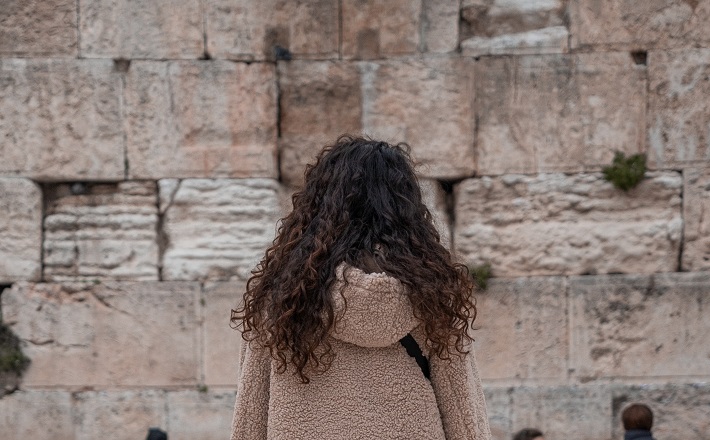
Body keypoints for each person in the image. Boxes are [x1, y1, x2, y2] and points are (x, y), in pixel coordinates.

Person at [230, 136, 491, 440]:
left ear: (317, 203)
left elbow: (251, 410)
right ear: (406, 207)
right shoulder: (431, 294)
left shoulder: (282, 295)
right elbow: (463, 413)